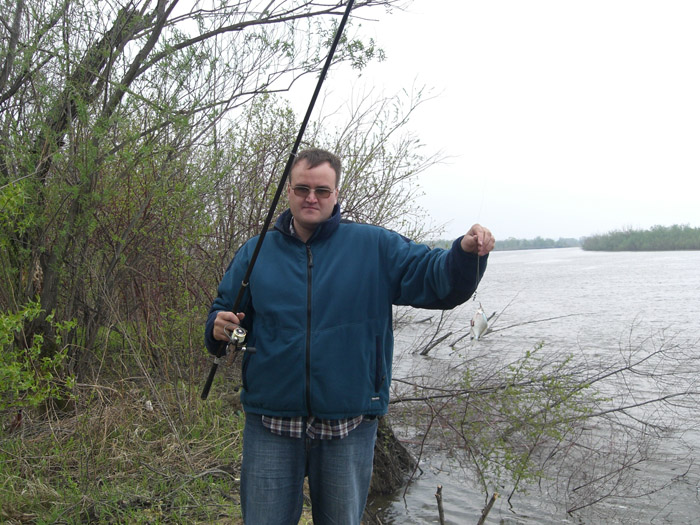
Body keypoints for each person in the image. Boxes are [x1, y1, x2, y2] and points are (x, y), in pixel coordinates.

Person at [205, 148, 494, 524]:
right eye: (302, 189)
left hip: (348, 424)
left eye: (322, 190)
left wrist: (464, 254)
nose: (311, 198)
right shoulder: (256, 251)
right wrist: (223, 331)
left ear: (336, 194)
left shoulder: (375, 247)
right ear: (289, 191)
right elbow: (234, 324)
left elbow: (434, 277)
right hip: (270, 421)